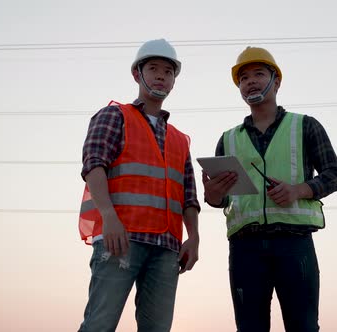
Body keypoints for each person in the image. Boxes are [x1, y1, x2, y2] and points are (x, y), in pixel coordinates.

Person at [202, 46, 337, 331]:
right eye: (243, 78)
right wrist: (213, 196)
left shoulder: (305, 126)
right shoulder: (227, 139)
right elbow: (222, 198)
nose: (250, 81)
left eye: (258, 74)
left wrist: (299, 190)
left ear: (276, 81)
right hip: (245, 248)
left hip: (294, 244)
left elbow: (334, 175)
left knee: (302, 326)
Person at [77, 38, 200, 332]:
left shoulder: (180, 139)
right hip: (120, 240)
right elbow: (94, 166)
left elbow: (189, 196)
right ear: (137, 74)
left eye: (168, 72)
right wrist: (108, 217)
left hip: (166, 247)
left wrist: (193, 237)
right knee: (99, 324)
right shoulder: (114, 116)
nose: (161, 76)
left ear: (174, 81)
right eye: (153, 68)